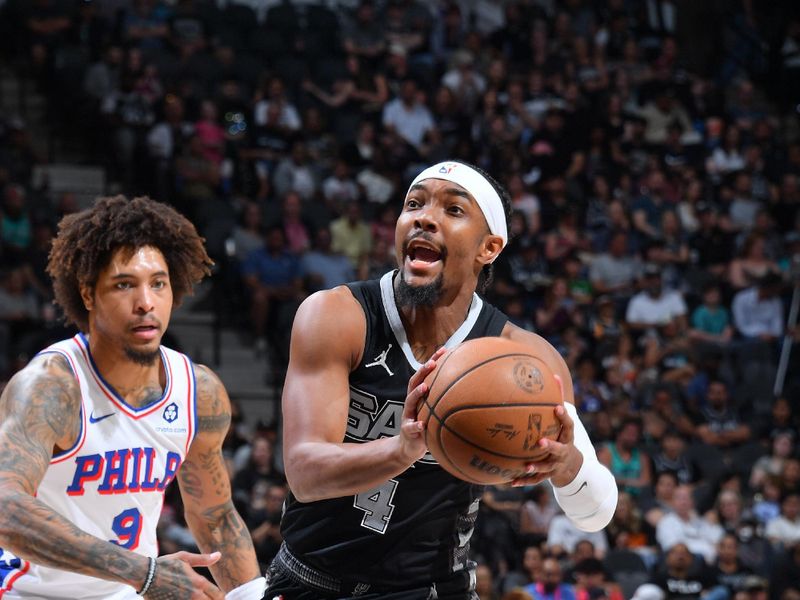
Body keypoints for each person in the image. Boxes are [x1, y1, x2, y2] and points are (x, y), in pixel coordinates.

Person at [266, 160, 618, 598]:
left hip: (435, 589)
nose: (424, 217)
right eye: (414, 204)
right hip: (314, 581)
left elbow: (596, 513)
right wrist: (404, 448)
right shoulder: (338, 316)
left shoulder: (524, 359)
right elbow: (304, 473)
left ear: (488, 248)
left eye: (453, 210)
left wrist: (567, 467)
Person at [0, 196, 265, 599]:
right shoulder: (51, 386)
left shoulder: (198, 392)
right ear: (88, 295)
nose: (146, 303)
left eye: (158, 284)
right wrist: (143, 573)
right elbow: (5, 508)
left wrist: (250, 595)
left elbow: (215, 517)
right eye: (125, 285)